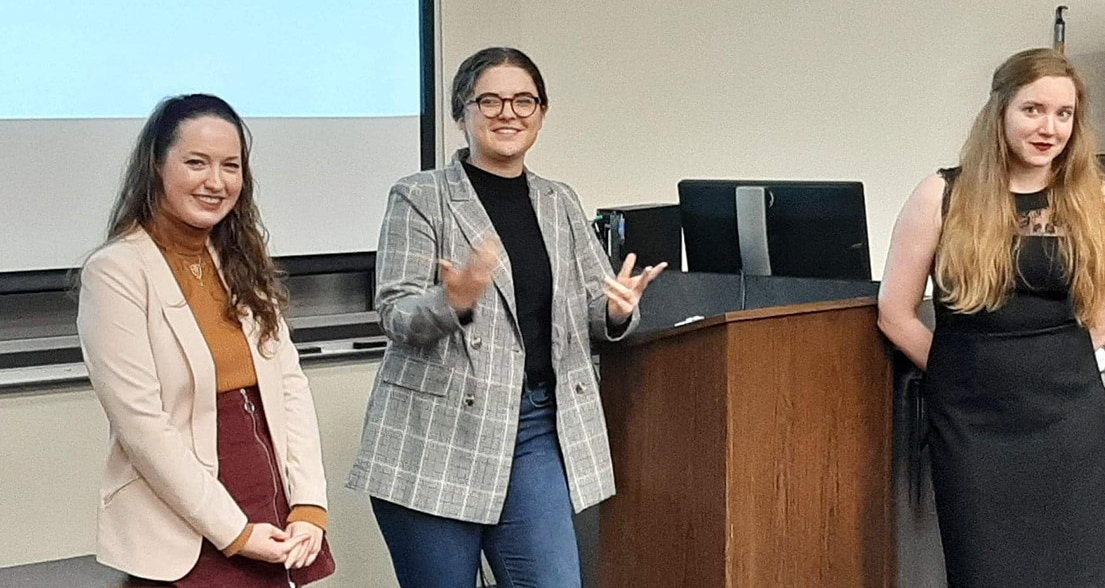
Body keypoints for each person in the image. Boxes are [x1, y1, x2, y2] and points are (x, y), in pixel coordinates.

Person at [348, 46, 666, 587]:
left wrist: (614, 312)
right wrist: (455, 300)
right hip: (436, 435)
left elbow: (591, 309)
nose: (507, 113)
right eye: (489, 100)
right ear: (461, 113)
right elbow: (396, 315)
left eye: (524, 100)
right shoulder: (420, 196)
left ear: (541, 113)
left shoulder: (559, 201)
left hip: (537, 429)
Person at [877, 48, 1105, 587]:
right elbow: (895, 312)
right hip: (973, 429)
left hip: (1069, 425)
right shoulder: (942, 195)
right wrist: (959, 374)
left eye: (1064, 114)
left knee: (1081, 574)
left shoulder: (1098, 198)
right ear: (1001, 111)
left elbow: (1103, 309)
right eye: (1033, 109)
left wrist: (1051, 367)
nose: (1049, 128)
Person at [77, 94, 335, 587]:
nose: (216, 182)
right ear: (157, 166)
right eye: (196, 163)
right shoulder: (115, 272)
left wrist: (309, 503)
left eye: (230, 166)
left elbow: (289, 388)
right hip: (183, 522)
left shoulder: (240, 262)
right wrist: (234, 531)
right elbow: (142, 427)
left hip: (270, 495)